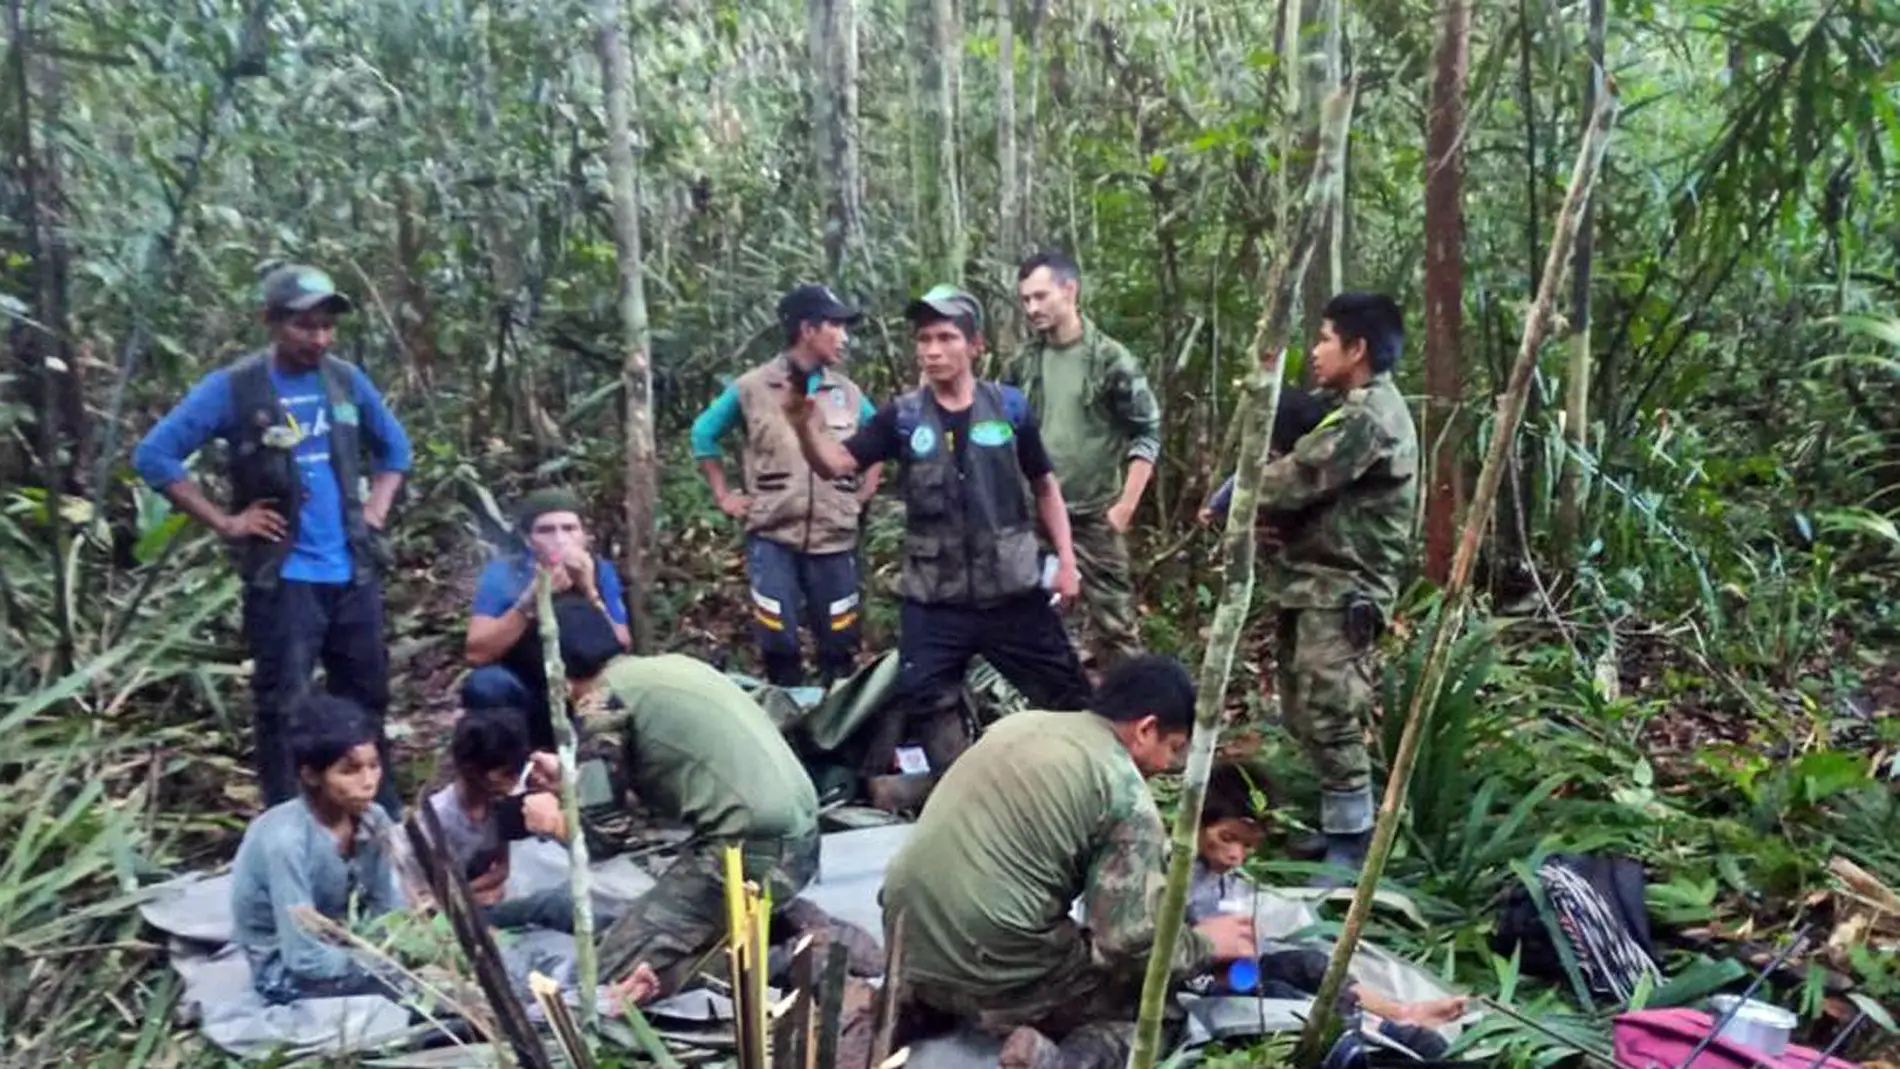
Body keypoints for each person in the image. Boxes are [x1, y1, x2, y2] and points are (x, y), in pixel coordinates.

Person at [879, 655, 1259, 1069]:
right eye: (1172, 749)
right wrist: (1204, 943)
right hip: (993, 965)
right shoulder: (1124, 794)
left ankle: (927, 1005)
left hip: (904, 941)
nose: (1168, 766)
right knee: (1158, 1015)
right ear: (1146, 729)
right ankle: (1059, 1061)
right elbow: (1125, 943)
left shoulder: (1020, 725)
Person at [782, 284, 1093, 782]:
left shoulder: (1009, 408)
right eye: (924, 339)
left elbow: (1044, 486)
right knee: (926, 697)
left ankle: (1083, 786)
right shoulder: (902, 418)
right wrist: (803, 425)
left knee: (1069, 695)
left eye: (946, 337)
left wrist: (1067, 563)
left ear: (975, 346)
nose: (932, 350)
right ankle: (962, 791)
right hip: (935, 597)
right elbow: (837, 464)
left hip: (1011, 589)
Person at [134, 264, 411, 815]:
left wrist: (375, 512)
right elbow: (155, 456)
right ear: (271, 322)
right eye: (305, 326)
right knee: (284, 704)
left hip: (351, 570)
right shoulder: (236, 388)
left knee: (366, 695)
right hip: (284, 578)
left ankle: (379, 811)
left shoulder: (344, 381)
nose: (320, 338)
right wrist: (226, 521)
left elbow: (395, 451)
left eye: (327, 326)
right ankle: (290, 818)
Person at [518, 638, 823, 1002]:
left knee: (608, 977)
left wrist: (553, 821)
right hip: (798, 837)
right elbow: (665, 781)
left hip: (750, 852)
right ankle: (775, 931)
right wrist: (576, 782)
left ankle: (784, 962)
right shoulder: (669, 667)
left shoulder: (602, 704)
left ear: (561, 683)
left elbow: (603, 838)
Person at [1238, 292, 1418, 879]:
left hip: (1345, 587)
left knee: (1332, 709)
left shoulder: (1369, 417)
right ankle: (1336, 824)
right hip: (1313, 581)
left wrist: (1232, 498)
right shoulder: (1346, 407)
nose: (1314, 352)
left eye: (1323, 339)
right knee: (1302, 706)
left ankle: (1352, 845)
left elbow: (1294, 479)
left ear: (1357, 348)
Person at [1185, 760, 1467, 1041]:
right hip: (1192, 980)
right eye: (1227, 838)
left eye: (1247, 846)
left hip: (1233, 970)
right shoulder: (1169, 873)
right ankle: (1372, 1030)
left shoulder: (1220, 877)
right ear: (1196, 821)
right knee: (1280, 997)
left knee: (1310, 965)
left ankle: (1398, 1013)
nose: (1236, 856)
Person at [691, 285, 882, 686]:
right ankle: (784, 720)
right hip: (773, 534)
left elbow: (879, 439)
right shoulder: (752, 387)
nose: (845, 338)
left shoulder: (848, 393)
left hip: (834, 537)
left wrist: (864, 491)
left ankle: (838, 727)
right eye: (836, 326)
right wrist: (724, 495)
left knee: (840, 639)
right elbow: (703, 435)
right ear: (807, 329)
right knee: (778, 638)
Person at [1007, 250, 1162, 672]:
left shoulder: (1111, 360)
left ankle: (1133, 722)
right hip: (1035, 519)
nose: (1032, 308)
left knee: (1116, 629)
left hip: (1095, 517)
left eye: (1040, 296)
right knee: (1038, 626)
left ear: (1069, 289)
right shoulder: (1023, 363)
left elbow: (1147, 430)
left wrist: (1124, 508)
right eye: (1025, 300)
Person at [229, 694, 405, 1004]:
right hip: (286, 968)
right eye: (349, 771)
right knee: (410, 997)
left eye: (374, 766)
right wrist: (378, 964)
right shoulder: (287, 842)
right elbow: (302, 956)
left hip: (349, 944)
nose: (368, 782)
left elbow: (388, 908)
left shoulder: (374, 819)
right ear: (311, 775)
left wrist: (398, 946)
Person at [463, 488, 631, 747]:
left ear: (584, 536)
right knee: (486, 685)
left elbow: (622, 643)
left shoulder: (600, 570)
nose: (560, 539)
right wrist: (529, 601)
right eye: (546, 530)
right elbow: (477, 652)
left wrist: (590, 591)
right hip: (528, 685)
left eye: (569, 528)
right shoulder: (505, 574)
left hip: (588, 688)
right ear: (529, 539)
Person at [424, 709, 572, 932]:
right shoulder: (438, 819)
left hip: (482, 900)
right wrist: (470, 897)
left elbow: (502, 871)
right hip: (452, 919)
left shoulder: (499, 805)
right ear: (471, 770)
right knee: (548, 906)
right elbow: (428, 899)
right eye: (505, 774)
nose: (513, 783)